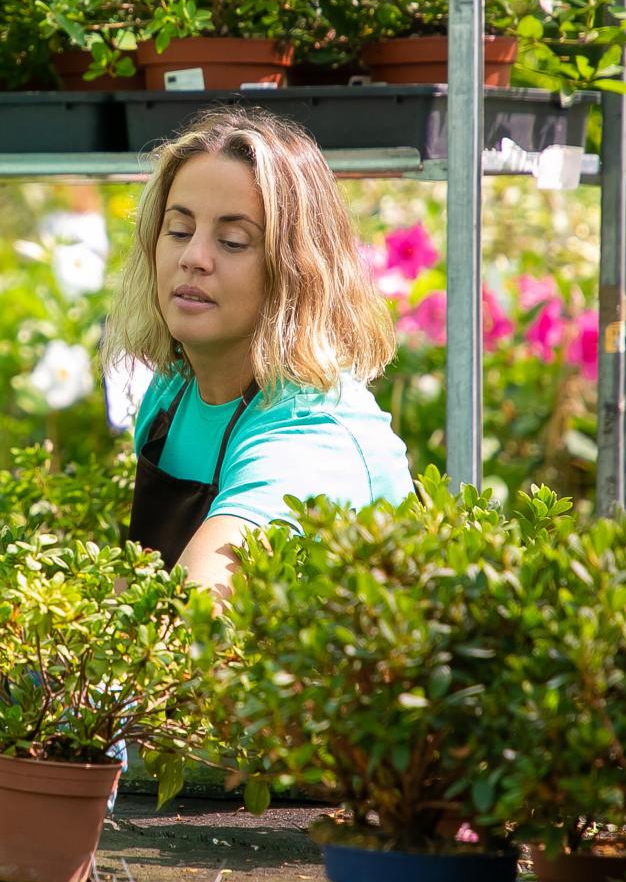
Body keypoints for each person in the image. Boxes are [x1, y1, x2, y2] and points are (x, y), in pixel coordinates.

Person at [103, 104, 412, 598]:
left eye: (232, 241)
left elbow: (186, 622)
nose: (193, 258)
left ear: (295, 271)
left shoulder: (312, 435)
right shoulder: (173, 391)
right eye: (178, 230)